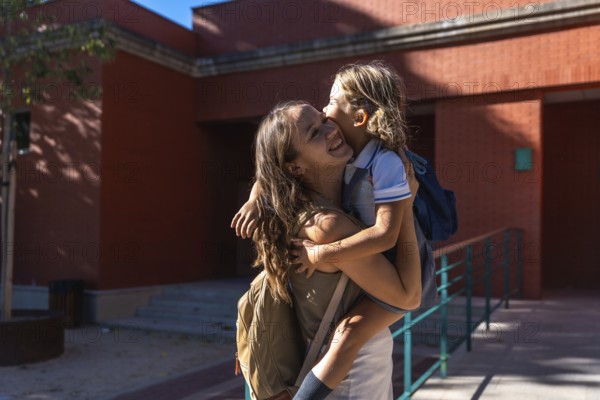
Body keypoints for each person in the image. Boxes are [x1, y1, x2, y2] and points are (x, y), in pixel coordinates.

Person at [233, 61, 423, 399]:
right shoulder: (328, 226)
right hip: (354, 383)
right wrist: (405, 205)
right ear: (295, 166)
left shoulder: (333, 190)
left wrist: (255, 197)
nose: (330, 128)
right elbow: (408, 296)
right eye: (314, 133)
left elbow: (269, 171)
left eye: (323, 121)